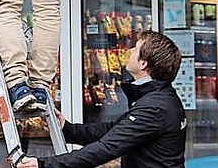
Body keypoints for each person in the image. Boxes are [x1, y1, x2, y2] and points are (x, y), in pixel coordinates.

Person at [17, 31, 186, 168]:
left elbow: (107, 148)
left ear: (143, 64)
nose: (130, 51)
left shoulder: (154, 107)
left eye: (135, 48)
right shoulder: (158, 98)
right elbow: (114, 130)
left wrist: (44, 164)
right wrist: (67, 129)